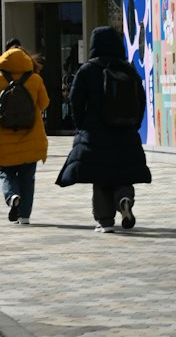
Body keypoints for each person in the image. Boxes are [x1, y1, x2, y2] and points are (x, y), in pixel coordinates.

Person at [55, 26, 151, 232]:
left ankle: (105, 221)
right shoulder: (128, 69)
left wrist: (82, 125)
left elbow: (75, 100)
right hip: (125, 132)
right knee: (122, 173)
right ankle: (124, 197)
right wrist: (134, 124)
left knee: (101, 177)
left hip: (95, 133)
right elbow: (141, 100)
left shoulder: (88, 70)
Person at [0, 42, 50, 226]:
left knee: (6, 172)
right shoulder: (35, 79)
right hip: (31, 135)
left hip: (4, 135)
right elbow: (44, 104)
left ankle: (12, 196)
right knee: (28, 178)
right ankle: (25, 216)